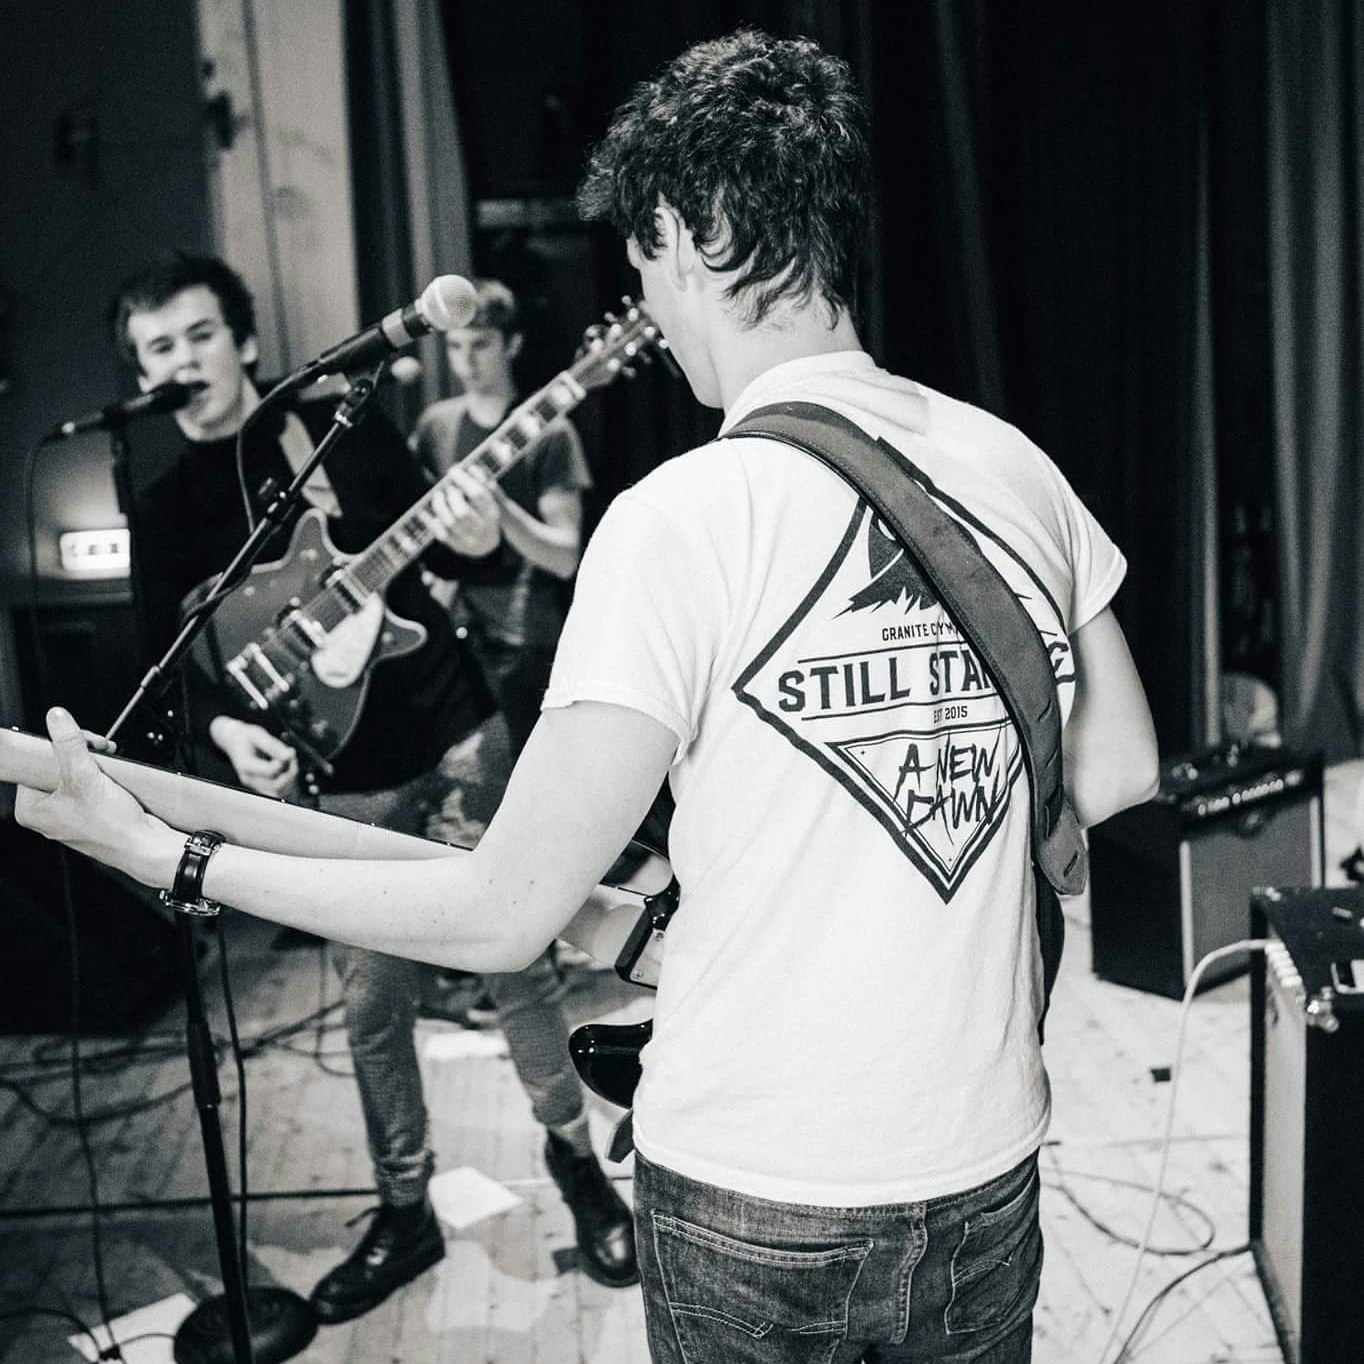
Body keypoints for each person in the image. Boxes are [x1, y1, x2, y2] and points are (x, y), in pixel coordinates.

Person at [27, 32, 1158, 1361]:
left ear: (693, 234)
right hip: (983, 1168)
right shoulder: (1011, 462)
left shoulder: (681, 516)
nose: (654, 311)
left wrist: (172, 855)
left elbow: (502, 913)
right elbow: (1118, 768)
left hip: (758, 1190)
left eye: (644, 263)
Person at [107, 254, 636, 1324]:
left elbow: (448, 548)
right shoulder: (162, 507)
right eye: (159, 348)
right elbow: (171, 652)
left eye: (200, 335)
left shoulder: (332, 426)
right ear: (142, 373)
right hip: (332, 769)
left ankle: (576, 1162)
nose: (183, 361)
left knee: (517, 961)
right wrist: (227, 734)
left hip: (450, 725)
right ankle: (405, 1205)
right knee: (371, 1001)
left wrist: (477, 537)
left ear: (245, 343)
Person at [411, 278, 594, 1025]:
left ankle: (531, 961)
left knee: (526, 811)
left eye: (481, 343)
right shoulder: (435, 426)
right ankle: (478, 966)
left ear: (511, 344)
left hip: (527, 643)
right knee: (461, 807)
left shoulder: (550, 433)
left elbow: (565, 553)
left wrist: (501, 510)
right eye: (456, 346)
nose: (467, 359)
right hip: (449, 639)